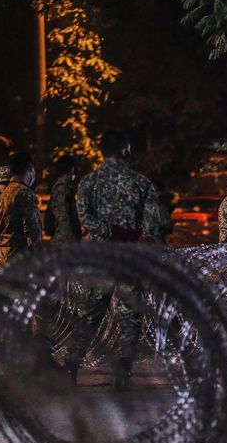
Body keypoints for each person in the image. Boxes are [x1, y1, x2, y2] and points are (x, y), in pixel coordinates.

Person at [64, 129, 165, 387]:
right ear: (124, 150)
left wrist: (107, 231)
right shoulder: (142, 184)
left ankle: (71, 367)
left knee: (88, 313)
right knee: (129, 316)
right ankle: (123, 372)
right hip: (129, 259)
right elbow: (153, 226)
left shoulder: (88, 183)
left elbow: (85, 219)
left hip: (100, 258)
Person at [0, 151, 43, 265]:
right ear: (30, 168)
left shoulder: (4, 193)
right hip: (20, 259)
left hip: (4, 256)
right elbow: (31, 229)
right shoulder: (24, 193)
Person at [48, 154, 81, 244]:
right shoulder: (61, 188)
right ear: (72, 169)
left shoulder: (66, 187)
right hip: (63, 242)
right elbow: (62, 218)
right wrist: (71, 242)